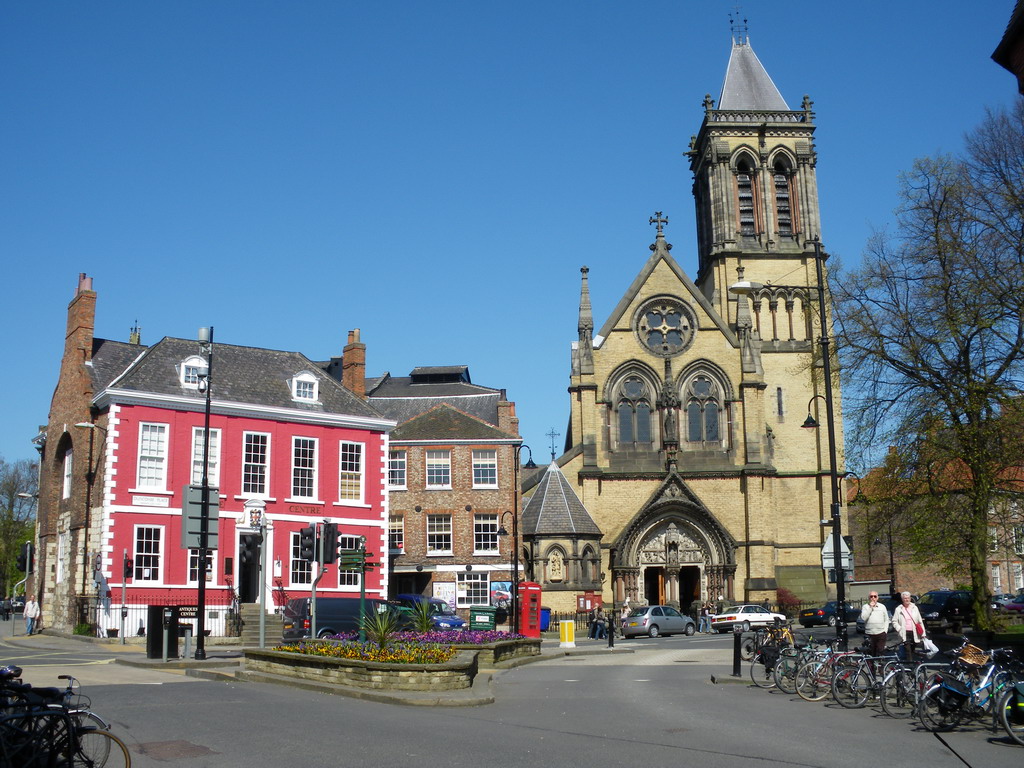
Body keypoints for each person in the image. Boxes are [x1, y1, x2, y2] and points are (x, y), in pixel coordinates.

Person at [891, 591, 925, 660]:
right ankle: (910, 663)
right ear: (902, 599)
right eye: (905, 598)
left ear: (910, 598)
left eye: (908, 598)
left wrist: (923, 633)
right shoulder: (898, 609)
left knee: (912, 648)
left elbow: (920, 621)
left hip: (914, 631)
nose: (907, 600)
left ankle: (910, 661)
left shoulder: (914, 608)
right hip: (904, 632)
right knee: (907, 649)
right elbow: (894, 621)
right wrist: (899, 628)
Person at [859, 591, 890, 656]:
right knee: (870, 653)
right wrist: (870, 608)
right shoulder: (865, 607)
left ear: (877, 598)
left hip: (881, 633)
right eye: (871, 596)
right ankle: (871, 662)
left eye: (875, 596)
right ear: (869, 598)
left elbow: (886, 619)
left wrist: (885, 631)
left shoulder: (882, 607)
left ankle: (879, 662)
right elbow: (864, 618)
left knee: (880, 652)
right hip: (869, 634)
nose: (873, 598)